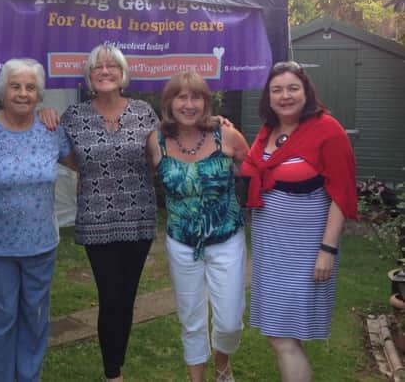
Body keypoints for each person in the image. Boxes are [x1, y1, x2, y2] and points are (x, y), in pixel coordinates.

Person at [240, 61, 358, 382]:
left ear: (306, 92)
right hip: (271, 247)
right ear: (268, 96)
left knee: (282, 335)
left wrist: (327, 249)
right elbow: (251, 165)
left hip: (305, 248)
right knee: (279, 333)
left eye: (293, 88)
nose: (285, 96)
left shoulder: (327, 130)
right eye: (277, 90)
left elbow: (342, 194)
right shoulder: (269, 130)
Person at [0, 58, 74, 382]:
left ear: (39, 94)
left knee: (35, 320)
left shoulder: (51, 130)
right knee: (1, 321)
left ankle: (29, 377)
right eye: (15, 86)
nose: (23, 93)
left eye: (30, 87)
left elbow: (83, 163)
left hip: (40, 244)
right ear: (2, 90)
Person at [54, 44, 159, 382]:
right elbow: (61, 152)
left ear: (122, 73)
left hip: (139, 216)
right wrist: (84, 168)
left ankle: (118, 359)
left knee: (127, 297)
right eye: (97, 67)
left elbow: (157, 157)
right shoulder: (74, 115)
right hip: (97, 219)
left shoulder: (143, 112)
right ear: (89, 75)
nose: (104, 71)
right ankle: (112, 373)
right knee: (110, 296)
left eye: (112, 66)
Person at [145, 71, 249, 382]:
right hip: (182, 242)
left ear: (206, 103)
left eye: (196, 97)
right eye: (181, 97)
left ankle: (222, 363)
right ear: (169, 103)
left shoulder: (227, 136)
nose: (189, 104)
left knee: (229, 320)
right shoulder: (156, 141)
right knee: (191, 318)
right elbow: (139, 178)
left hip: (226, 239)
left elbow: (254, 171)